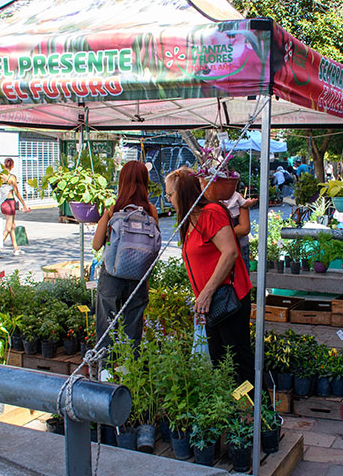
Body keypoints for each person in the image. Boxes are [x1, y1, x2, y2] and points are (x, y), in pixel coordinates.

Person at [165, 167, 254, 384]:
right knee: (221, 362)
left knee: (237, 362)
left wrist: (205, 293)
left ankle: (254, 403)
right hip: (213, 303)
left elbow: (230, 252)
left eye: (170, 194)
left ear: (183, 193)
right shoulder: (192, 219)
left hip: (229, 299)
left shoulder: (210, 213)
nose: (169, 200)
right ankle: (231, 404)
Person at [92, 161, 159, 347]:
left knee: (106, 327)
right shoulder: (151, 211)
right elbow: (155, 247)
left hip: (112, 274)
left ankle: (105, 363)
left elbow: (96, 245)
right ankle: (131, 363)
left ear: (122, 181)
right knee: (133, 329)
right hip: (139, 277)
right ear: (145, 181)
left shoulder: (113, 209)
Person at [0, 158, 30, 257]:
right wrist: (24, 204)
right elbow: (17, 192)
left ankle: (16, 249)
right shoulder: (12, 178)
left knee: (12, 226)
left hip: (3, 203)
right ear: (12, 166)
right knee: (8, 228)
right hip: (10, 203)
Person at [224, 190, 256, 272]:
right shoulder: (208, 198)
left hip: (238, 247)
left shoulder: (237, 196)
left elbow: (244, 229)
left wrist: (217, 235)